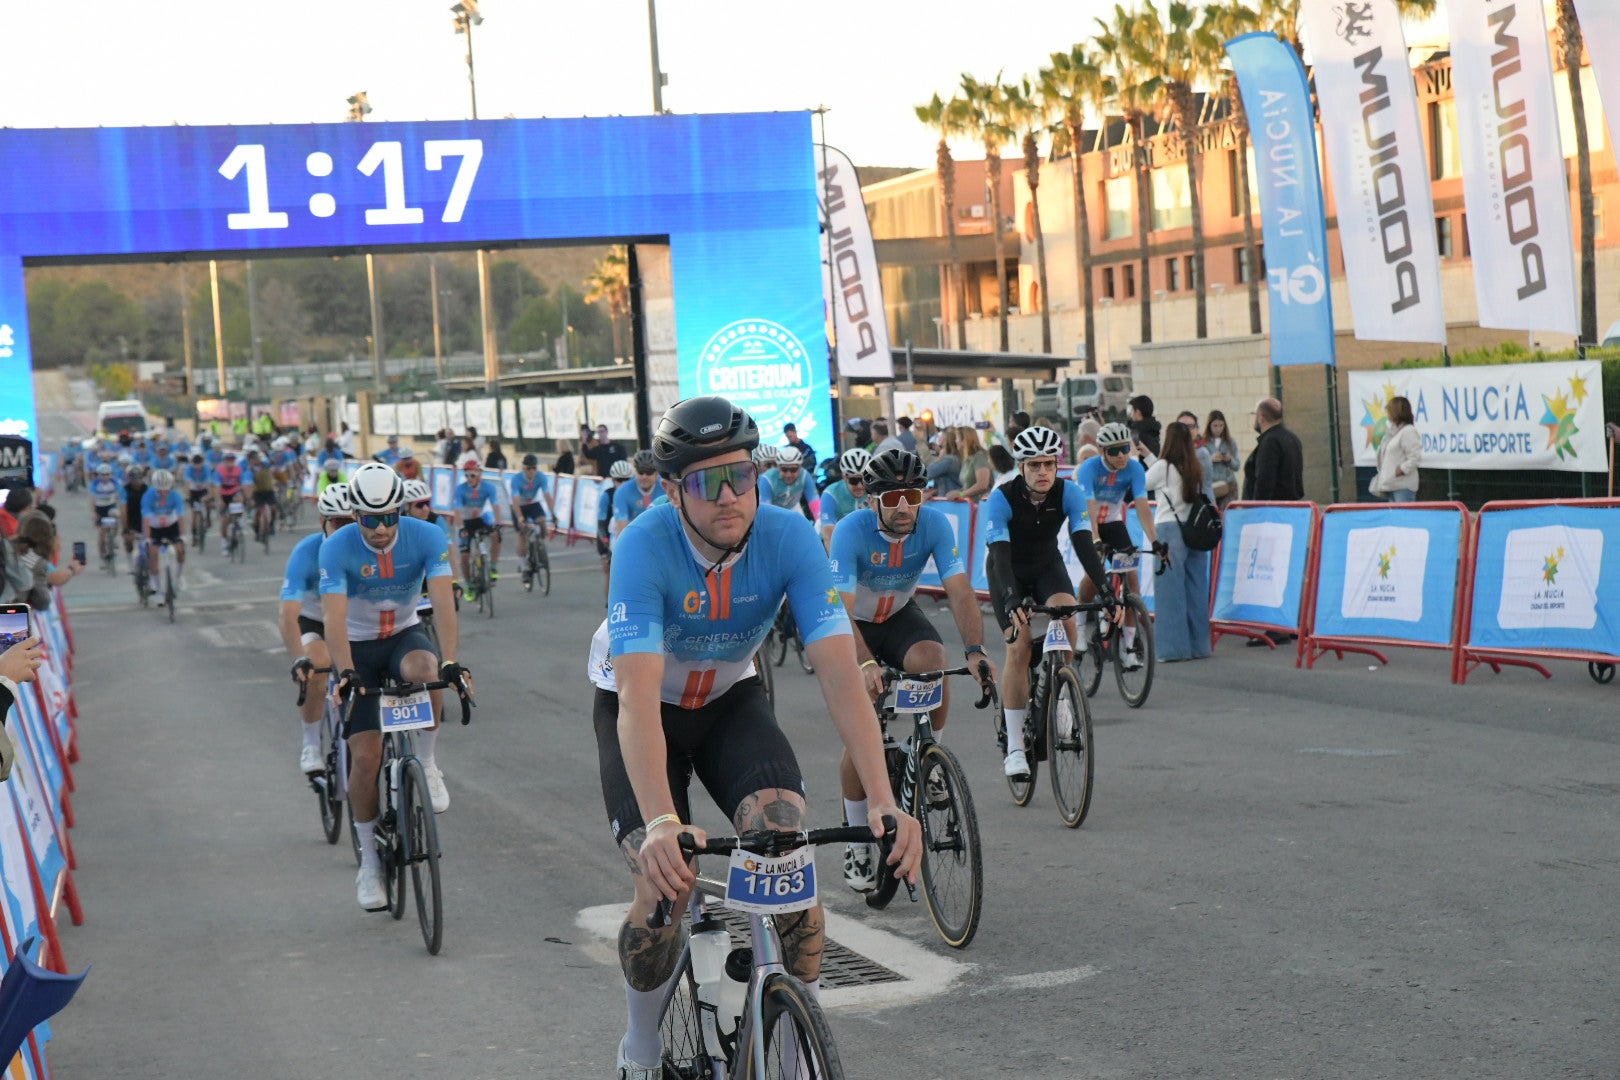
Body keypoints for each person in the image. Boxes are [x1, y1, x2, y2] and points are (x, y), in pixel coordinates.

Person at [583, 395, 921, 1079]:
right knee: (666, 888)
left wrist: (884, 797)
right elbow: (639, 703)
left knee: (786, 841)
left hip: (730, 700)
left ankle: (795, 1056)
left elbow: (838, 673)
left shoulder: (791, 535)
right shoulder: (643, 545)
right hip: (641, 706)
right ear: (674, 490)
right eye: (709, 483)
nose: (731, 495)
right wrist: (659, 823)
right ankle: (640, 1051)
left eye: (743, 475)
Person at [829, 449, 996, 891]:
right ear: (873, 501)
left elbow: (959, 591)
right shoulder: (849, 531)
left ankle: (928, 757)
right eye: (893, 497)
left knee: (934, 664)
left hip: (899, 617)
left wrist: (976, 650)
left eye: (913, 494)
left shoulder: (936, 524)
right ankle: (858, 841)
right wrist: (865, 663)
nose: (904, 505)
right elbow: (842, 613)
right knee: (863, 721)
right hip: (855, 625)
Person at [320, 463, 463, 910]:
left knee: (429, 667)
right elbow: (334, 619)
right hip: (358, 647)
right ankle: (369, 864)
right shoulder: (336, 547)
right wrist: (345, 670)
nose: (381, 529)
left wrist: (454, 660)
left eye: (390, 517)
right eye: (369, 519)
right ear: (355, 514)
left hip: (402, 636)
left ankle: (427, 761)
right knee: (366, 758)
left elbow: (441, 601)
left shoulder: (427, 537)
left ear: (401, 511)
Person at [982, 426, 1116, 778]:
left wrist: (1106, 591)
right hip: (1006, 570)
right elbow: (998, 555)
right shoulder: (1001, 498)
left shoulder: (1069, 492)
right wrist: (1012, 600)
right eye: (1035, 465)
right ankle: (1014, 748)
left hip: (1046, 567)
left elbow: (1085, 544)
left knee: (1067, 615)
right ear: (1021, 467)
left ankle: (1060, 700)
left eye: (1049, 464)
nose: (1043, 472)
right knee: (1020, 644)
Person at [1076, 422, 1166, 670]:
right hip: (1088, 522)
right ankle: (1080, 626)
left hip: (1114, 523)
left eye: (1125, 448)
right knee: (1094, 575)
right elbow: (1089, 511)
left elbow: (1143, 508)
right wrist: (1095, 541)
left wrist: (1155, 541)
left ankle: (1128, 647)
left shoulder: (1134, 469)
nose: (1121, 455)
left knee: (1132, 579)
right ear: (1102, 450)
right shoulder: (1089, 469)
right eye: (1115, 451)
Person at [281, 483, 354, 774]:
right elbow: (288, 614)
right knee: (319, 664)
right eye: (339, 522)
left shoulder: (365, 548)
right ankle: (311, 743)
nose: (346, 529)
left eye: (352, 521)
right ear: (323, 521)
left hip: (352, 622)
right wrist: (299, 657)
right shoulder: (307, 552)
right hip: (315, 621)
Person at [1144, 423, 1211, 662]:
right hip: (1194, 529)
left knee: (1169, 591)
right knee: (1195, 589)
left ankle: (1174, 649)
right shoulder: (1196, 466)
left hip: (1169, 530)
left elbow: (1142, 484)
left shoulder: (1163, 466)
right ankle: (1200, 646)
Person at [452, 460, 505, 597]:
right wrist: (462, 527)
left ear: (479, 475)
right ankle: (469, 585)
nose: (469, 479)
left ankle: (493, 566)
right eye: (467, 476)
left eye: (472, 476)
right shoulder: (460, 489)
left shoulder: (488, 487)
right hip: (465, 522)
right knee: (464, 556)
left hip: (481, 519)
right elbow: (457, 511)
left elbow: (495, 505)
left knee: (496, 535)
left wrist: (498, 522)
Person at [507, 453, 557, 583]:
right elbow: (516, 502)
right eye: (529, 468)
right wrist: (520, 519)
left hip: (533, 503)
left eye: (534, 468)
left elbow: (547, 496)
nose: (532, 471)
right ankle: (523, 566)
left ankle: (539, 548)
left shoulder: (541, 477)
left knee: (543, 524)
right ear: (523, 468)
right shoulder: (517, 480)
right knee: (522, 535)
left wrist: (553, 514)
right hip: (519, 506)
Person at [1242, 398, 1304, 502]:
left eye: (1254, 414)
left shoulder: (1270, 442)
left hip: (1271, 512)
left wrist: (1257, 507)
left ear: (1261, 417)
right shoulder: (1292, 438)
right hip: (1291, 508)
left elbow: (1264, 481)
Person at [140, 469, 187, 591]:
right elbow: (146, 519)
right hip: (155, 527)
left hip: (171, 525)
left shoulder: (175, 495)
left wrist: (183, 535)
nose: (163, 492)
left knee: (180, 550)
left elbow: (181, 516)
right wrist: (147, 538)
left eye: (166, 489)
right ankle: (157, 585)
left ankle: (179, 576)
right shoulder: (148, 496)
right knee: (153, 553)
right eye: (160, 490)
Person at [815, 448, 872, 549]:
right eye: (854, 480)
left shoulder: (874, 491)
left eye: (864, 480)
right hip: (831, 539)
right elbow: (829, 537)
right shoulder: (831, 493)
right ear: (844, 477)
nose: (860, 486)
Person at [1372, 395, 1421, 503]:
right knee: (1395, 518)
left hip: (1403, 486)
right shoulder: (1392, 432)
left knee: (1404, 518)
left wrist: (1401, 469)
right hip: (1391, 485)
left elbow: (1415, 458)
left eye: (1389, 410)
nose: (1387, 413)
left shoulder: (1408, 431)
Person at [597, 459, 633, 602]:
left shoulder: (634, 493)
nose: (623, 483)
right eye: (619, 480)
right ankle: (609, 607)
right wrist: (605, 543)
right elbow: (601, 523)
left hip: (626, 534)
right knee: (610, 571)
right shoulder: (607, 495)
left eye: (627, 479)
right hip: (607, 534)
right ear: (613, 480)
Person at [610, 450, 662, 546]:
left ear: (657, 473)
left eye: (649, 472)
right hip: (632, 533)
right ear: (635, 471)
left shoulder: (665, 487)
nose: (644, 477)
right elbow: (621, 527)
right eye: (640, 472)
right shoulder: (622, 491)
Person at [758, 445, 818, 519]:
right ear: (779, 468)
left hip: (793, 507)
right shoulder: (767, 478)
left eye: (793, 470)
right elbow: (765, 509)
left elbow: (813, 499)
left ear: (800, 468)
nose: (788, 475)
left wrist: (819, 520)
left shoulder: (804, 475)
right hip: (774, 511)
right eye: (784, 469)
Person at [1203, 411, 1242, 508]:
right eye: (1215, 426)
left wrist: (1229, 459)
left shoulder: (1230, 442)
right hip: (1211, 485)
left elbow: (1237, 466)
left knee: (1225, 515)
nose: (1218, 429)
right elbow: (1198, 464)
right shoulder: (1203, 443)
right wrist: (1210, 459)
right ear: (1209, 426)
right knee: (1212, 515)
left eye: (1221, 425)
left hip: (1228, 484)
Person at [948, 427, 993, 503]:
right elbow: (968, 486)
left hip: (981, 506)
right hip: (970, 506)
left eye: (957, 438)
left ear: (965, 440)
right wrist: (956, 493)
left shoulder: (979, 457)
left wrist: (961, 494)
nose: (955, 441)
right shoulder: (967, 459)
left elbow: (983, 484)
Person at [121, 465, 151, 571]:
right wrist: (126, 528)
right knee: (129, 542)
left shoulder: (148, 489)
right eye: (133, 477)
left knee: (149, 545)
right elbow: (123, 510)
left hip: (145, 519)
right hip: (131, 519)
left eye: (139, 477)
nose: (136, 480)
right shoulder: (124, 490)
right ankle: (130, 562)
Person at [926, 429, 963, 497]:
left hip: (950, 500)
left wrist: (940, 458)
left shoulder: (949, 460)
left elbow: (928, 473)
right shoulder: (958, 458)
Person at [1128, 395, 1162, 460]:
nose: (1131, 414)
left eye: (1132, 410)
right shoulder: (1154, 429)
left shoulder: (1136, 433)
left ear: (1138, 412)